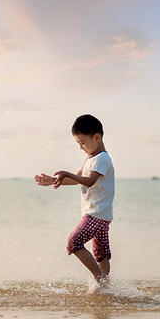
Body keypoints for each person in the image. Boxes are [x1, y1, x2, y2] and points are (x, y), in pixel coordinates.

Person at [35, 114, 115, 291]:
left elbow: (89, 181)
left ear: (96, 137)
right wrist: (54, 179)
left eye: (82, 143)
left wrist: (67, 173)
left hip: (96, 214)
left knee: (74, 243)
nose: (81, 147)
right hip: (101, 214)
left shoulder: (101, 158)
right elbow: (79, 179)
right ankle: (105, 288)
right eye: (78, 144)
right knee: (100, 253)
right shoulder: (90, 157)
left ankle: (100, 278)